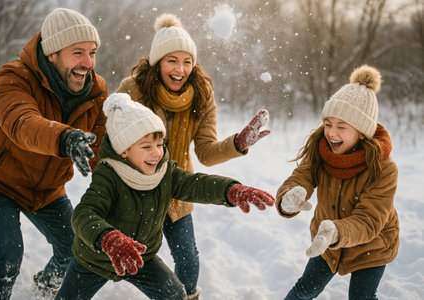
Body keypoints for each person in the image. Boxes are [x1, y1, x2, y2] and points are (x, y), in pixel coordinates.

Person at [54, 92, 275, 300]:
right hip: (95, 259)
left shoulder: (165, 172)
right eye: (146, 146)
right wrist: (108, 238)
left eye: (159, 144)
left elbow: (196, 184)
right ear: (124, 150)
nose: (157, 152)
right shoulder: (109, 175)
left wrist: (230, 191)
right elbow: (84, 213)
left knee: (174, 294)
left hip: (142, 257)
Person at [116, 13, 270, 299]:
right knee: (112, 260)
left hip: (178, 191)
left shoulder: (201, 94)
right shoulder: (132, 90)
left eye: (187, 61)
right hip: (135, 191)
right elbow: (114, 142)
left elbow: (206, 153)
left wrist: (238, 143)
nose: (180, 69)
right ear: (157, 62)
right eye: (172, 60)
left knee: (188, 261)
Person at [0, 7, 108, 299]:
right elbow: (22, 122)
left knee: (75, 250)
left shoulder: (96, 91)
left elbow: (100, 151)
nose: (88, 62)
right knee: (7, 258)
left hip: (46, 188)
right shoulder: (13, 78)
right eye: (77, 53)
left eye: (92, 52)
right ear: (52, 54)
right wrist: (65, 137)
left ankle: (43, 292)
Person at [275, 65, 399, 300]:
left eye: (342, 126)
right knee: (304, 290)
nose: (331, 133)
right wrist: (290, 195)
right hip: (325, 237)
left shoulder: (383, 168)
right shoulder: (321, 149)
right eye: (328, 123)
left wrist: (337, 232)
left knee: (361, 297)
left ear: (362, 132)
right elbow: (303, 174)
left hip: (372, 244)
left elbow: (370, 220)